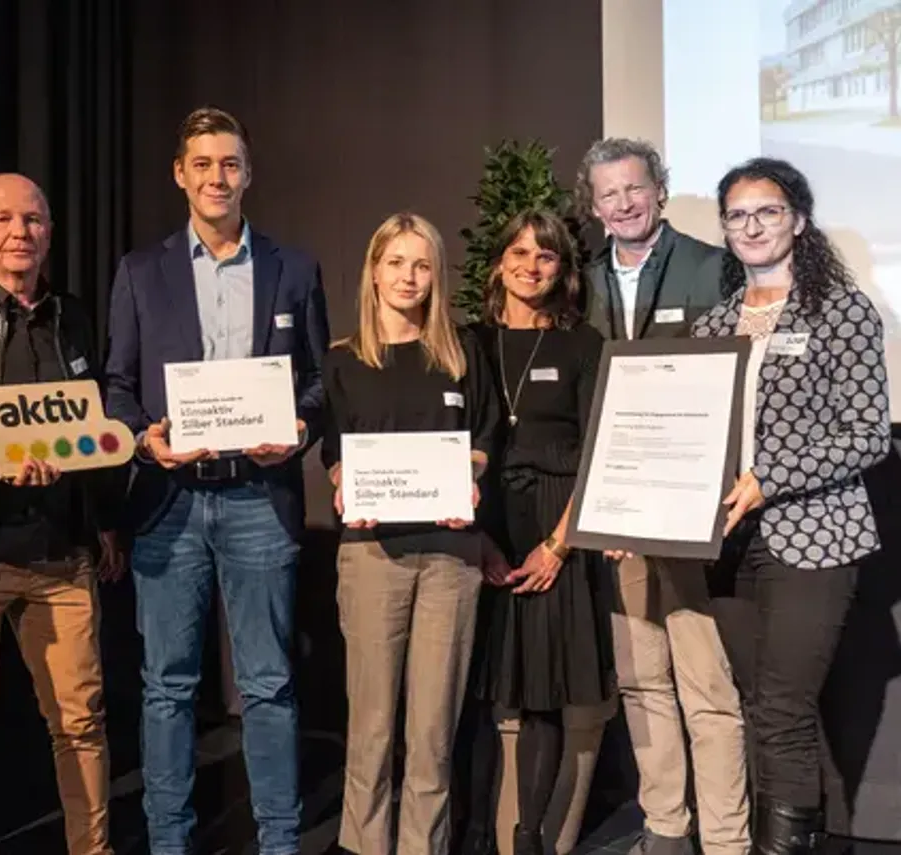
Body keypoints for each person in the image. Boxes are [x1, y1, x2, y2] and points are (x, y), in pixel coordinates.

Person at [104, 105, 330, 855]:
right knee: (167, 686)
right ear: (180, 174)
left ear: (248, 173)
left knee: (268, 684)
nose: (217, 177)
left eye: (229, 163)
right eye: (202, 164)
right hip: (169, 500)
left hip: (259, 499)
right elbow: (117, 385)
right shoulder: (140, 271)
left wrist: (296, 430)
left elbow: (319, 383)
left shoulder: (294, 268)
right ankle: (168, 841)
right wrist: (143, 438)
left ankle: (279, 841)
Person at [691, 157, 890, 855]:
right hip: (727, 543)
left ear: (798, 220)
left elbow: (867, 434)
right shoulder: (711, 325)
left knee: (782, 707)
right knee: (758, 708)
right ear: (724, 228)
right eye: (738, 214)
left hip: (814, 537)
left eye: (768, 211)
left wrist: (770, 477)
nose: (752, 225)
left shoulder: (840, 309)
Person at [0, 174, 126, 855]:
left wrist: (103, 517)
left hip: (61, 555)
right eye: (5, 219)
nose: (22, 231)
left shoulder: (73, 314)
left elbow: (93, 424)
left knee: (81, 721)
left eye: (35, 219)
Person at [580, 137, 750, 855]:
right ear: (593, 207)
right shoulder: (581, 283)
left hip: (689, 513)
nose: (623, 203)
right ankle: (666, 826)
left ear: (660, 189)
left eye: (635, 189)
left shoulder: (712, 268)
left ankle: (726, 836)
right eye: (608, 194)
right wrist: (609, 503)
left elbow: (739, 387)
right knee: (643, 680)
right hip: (617, 513)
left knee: (706, 685)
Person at [322, 212, 506, 855]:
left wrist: (470, 481)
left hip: (451, 557)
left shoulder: (462, 353)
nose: (409, 277)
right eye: (396, 262)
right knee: (371, 726)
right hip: (373, 555)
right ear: (373, 271)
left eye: (422, 264)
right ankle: (364, 846)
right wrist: (344, 481)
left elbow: (484, 442)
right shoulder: (343, 361)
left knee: (432, 729)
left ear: (437, 276)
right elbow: (334, 453)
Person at [466, 209, 616, 855]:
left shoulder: (584, 345)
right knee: (476, 690)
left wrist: (560, 543)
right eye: (520, 252)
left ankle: (527, 836)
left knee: (543, 693)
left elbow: (598, 450)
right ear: (499, 261)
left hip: (559, 517)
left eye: (546, 255)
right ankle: (475, 833)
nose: (531, 265)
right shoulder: (467, 341)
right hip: (481, 514)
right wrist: (480, 537)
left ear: (563, 268)